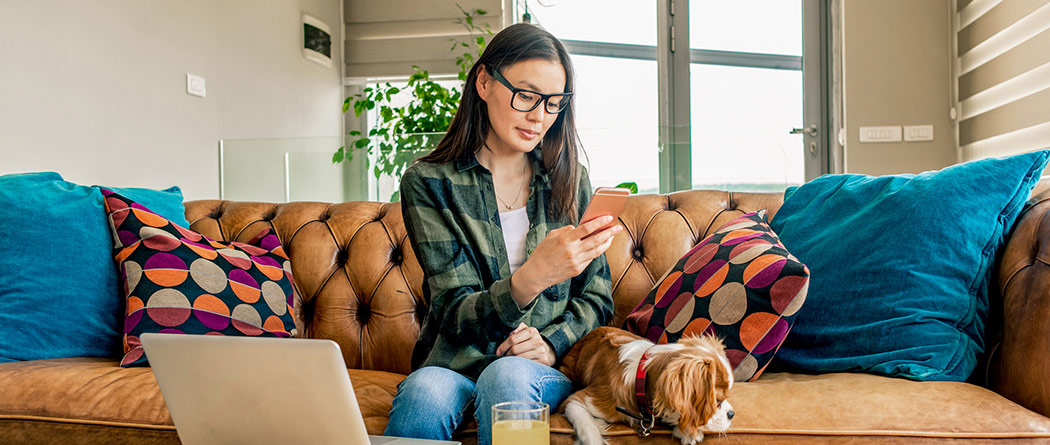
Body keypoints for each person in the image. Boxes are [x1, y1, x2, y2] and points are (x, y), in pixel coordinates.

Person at [383, 23, 621, 444]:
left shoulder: (569, 180)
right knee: (424, 392)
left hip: (540, 369)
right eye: (526, 95)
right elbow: (454, 311)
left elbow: (597, 299)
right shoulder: (429, 182)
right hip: (455, 361)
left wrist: (549, 345)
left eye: (554, 103)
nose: (539, 116)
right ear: (484, 82)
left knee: (507, 375)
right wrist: (532, 277)